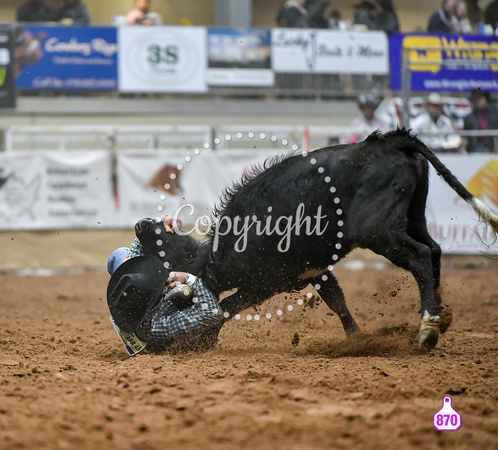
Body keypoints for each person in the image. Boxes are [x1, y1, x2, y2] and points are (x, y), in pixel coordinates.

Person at [107, 216, 224, 354]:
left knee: (118, 254)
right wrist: (188, 278)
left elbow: (142, 234)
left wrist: (162, 223)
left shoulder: (128, 287)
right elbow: (212, 313)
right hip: (184, 315)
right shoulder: (155, 327)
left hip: (154, 303)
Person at [463, 89, 498, 153]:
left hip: (493, 146)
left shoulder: (495, 114)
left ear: (484, 99)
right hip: (478, 148)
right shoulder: (469, 118)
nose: (478, 101)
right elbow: (467, 137)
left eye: (479, 99)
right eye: (475, 100)